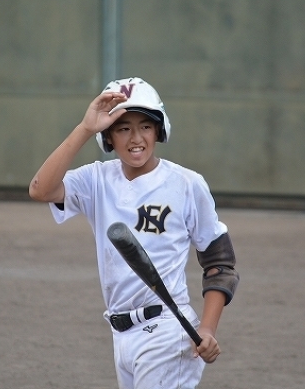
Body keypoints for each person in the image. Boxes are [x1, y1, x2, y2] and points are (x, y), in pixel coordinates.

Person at [29, 77, 239, 389]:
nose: (136, 137)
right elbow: (40, 189)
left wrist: (207, 329)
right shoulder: (96, 180)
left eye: (145, 126)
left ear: (159, 130)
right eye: (123, 128)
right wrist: (85, 128)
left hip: (168, 333)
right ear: (108, 136)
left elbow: (220, 263)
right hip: (121, 334)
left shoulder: (186, 184)